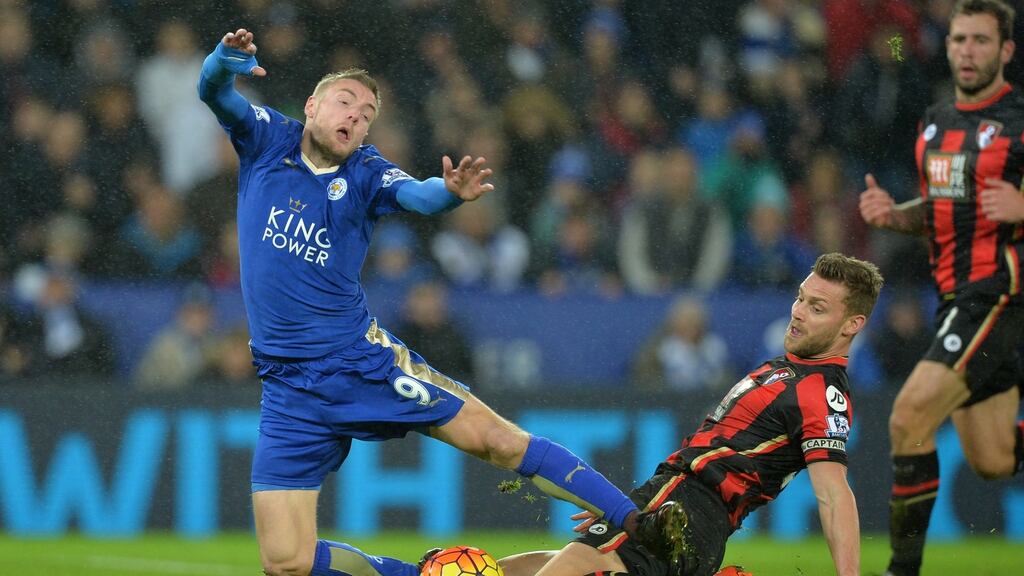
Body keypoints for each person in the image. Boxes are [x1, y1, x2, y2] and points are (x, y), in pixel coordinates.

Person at [197, 28, 654, 576]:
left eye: (367, 114)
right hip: (288, 387)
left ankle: (640, 523)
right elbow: (215, 92)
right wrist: (223, 62)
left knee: (496, 441)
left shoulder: (365, 171)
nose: (356, 118)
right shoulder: (268, 139)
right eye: (346, 103)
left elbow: (417, 193)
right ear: (313, 105)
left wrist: (449, 193)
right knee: (286, 563)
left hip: (358, 362)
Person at [487, 253, 883, 576]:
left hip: (683, 509)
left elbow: (833, 493)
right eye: (800, 298)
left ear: (852, 325)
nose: (798, 312)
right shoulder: (792, 370)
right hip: (680, 512)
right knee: (516, 569)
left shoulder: (820, 392)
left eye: (817, 308)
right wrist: (620, 504)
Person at [857, 2, 1024, 575]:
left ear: (1006, 50)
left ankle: (901, 571)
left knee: (907, 418)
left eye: (981, 40)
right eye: (959, 40)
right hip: (954, 298)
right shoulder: (936, 121)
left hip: (998, 295)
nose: (967, 51)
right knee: (994, 458)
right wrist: (895, 216)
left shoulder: (1020, 122)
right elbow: (941, 210)